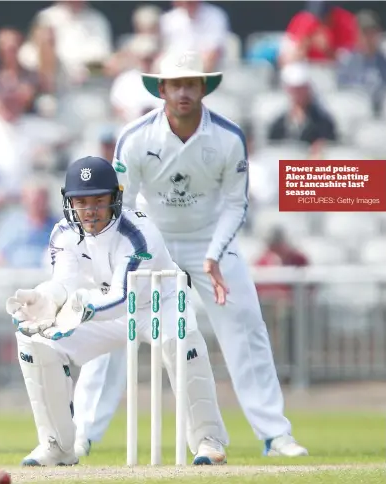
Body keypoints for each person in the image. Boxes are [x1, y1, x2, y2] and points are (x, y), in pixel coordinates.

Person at [72, 51, 309, 458]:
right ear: (161, 89)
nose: (183, 92)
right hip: (151, 239)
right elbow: (121, 206)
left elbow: (236, 205)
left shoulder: (227, 137)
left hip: (209, 240)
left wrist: (214, 256)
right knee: (112, 322)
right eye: (176, 84)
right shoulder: (136, 137)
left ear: (203, 88)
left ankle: (275, 434)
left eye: (191, 84)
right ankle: (81, 435)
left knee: (245, 324)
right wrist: (130, 256)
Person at [6, 156, 228, 466]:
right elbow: (65, 281)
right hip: (100, 306)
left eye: (99, 200)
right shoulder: (63, 233)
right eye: (81, 202)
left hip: (157, 304)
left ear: (115, 198)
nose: (90, 210)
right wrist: (45, 298)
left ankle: (208, 440)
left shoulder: (138, 232)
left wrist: (77, 309)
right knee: (35, 341)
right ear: (69, 202)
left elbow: (125, 297)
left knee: (182, 343)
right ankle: (58, 445)